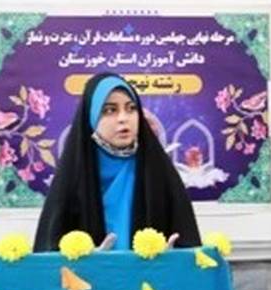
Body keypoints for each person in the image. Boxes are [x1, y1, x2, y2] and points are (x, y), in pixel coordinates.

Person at [34, 72, 200, 251]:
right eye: (110, 110)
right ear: (91, 117)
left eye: (131, 108)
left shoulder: (160, 172)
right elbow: (49, 254)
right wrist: (83, 260)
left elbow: (188, 247)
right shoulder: (72, 176)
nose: (123, 118)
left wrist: (170, 259)